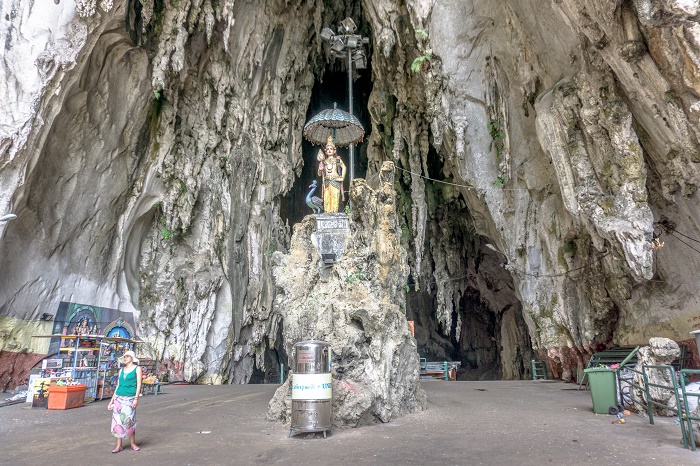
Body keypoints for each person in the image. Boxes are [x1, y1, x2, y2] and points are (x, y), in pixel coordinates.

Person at [107, 350, 143, 453]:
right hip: (119, 397)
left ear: (132, 357)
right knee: (117, 421)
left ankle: (132, 443)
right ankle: (119, 445)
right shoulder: (121, 370)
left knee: (129, 421)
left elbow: (139, 384)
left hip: (130, 397)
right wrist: (111, 400)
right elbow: (118, 385)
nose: (125, 358)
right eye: (124, 357)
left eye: (127, 356)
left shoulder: (137, 369)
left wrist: (136, 398)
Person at [317, 135, 347, 213]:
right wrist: (320, 169)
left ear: (334, 151)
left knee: (335, 196)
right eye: (328, 149)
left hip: (335, 180)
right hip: (327, 181)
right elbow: (319, 174)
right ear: (325, 151)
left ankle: (334, 212)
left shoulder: (336, 160)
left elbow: (344, 167)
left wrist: (342, 177)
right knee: (327, 197)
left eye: (331, 149)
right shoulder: (324, 161)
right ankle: (327, 212)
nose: (329, 150)